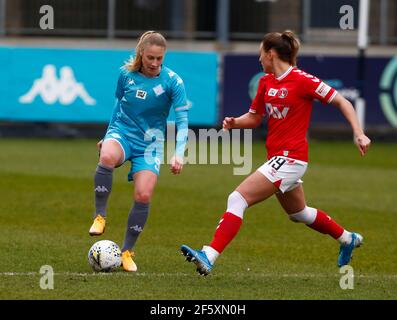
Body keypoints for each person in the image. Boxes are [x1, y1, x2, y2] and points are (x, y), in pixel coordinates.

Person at [181, 30, 371, 276]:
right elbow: (254, 117)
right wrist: (235, 122)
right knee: (298, 213)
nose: (259, 58)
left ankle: (209, 254)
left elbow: (342, 101)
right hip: (277, 158)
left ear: (270, 53)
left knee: (237, 198)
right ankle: (348, 238)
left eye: (261, 53)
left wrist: (358, 132)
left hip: (292, 158)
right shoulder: (265, 82)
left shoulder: (303, 80)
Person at [89, 31, 189, 272]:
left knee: (144, 195)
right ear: (141, 54)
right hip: (122, 133)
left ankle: (127, 252)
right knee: (107, 156)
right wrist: (107, 135)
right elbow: (117, 106)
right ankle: (100, 216)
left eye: (159, 58)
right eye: (150, 58)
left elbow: (182, 119)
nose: (155, 63)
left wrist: (179, 152)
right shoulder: (126, 75)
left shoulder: (173, 82)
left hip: (150, 145)